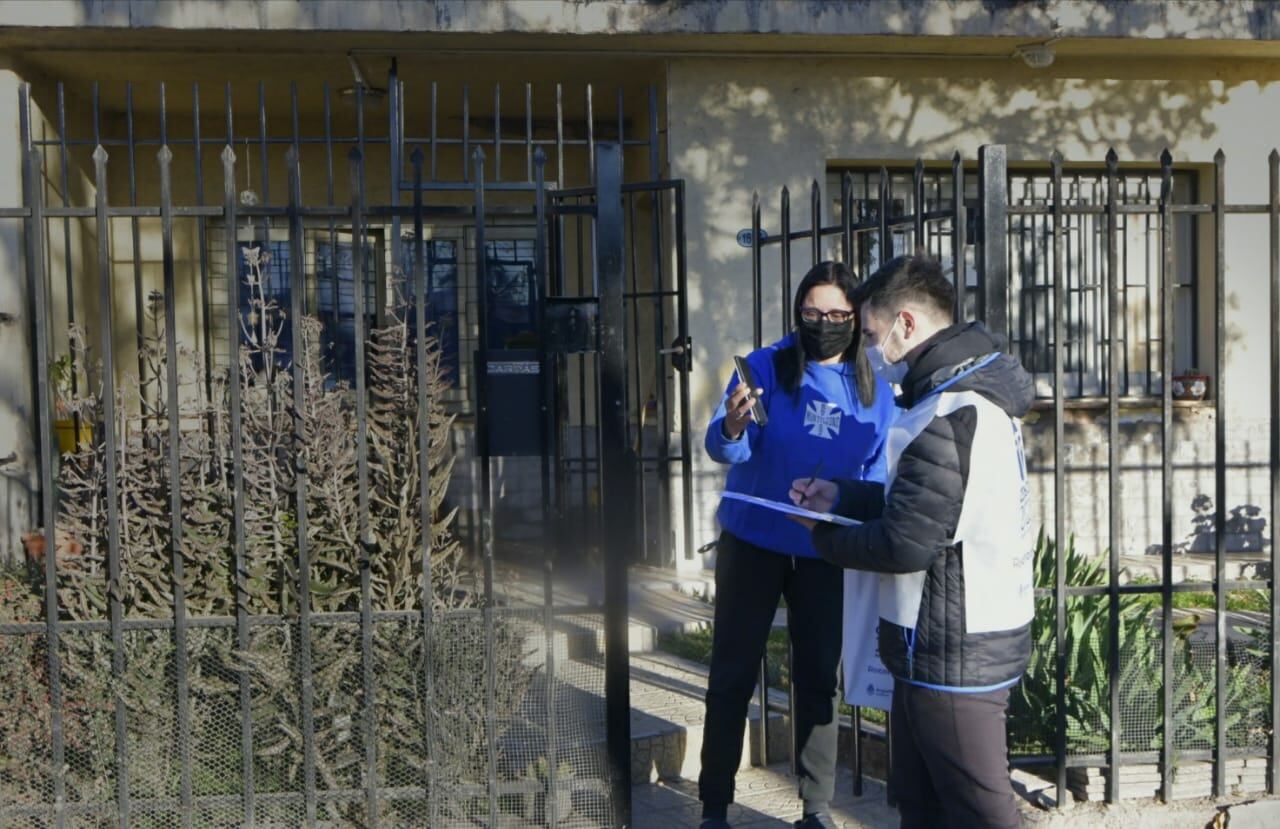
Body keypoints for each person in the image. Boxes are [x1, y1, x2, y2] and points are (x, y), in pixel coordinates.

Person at [789, 254, 1035, 829]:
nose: (869, 350)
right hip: (945, 645)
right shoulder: (952, 401)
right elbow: (928, 507)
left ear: (906, 324)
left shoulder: (950, 413)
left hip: (954, 654)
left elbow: (905, 544)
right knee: (923, 805)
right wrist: (843, 498)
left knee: (981, 811)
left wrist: (824, 537)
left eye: (872, 334)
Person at [701, 261, 897, 829]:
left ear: (856, 318)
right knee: (733, 672)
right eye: (811, 313)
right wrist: (734, 426)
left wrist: (838, 497)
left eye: (837, 314)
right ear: (797, 313)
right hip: (754, 541)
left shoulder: (875, 391)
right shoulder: (764, 365)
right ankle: (715, 803)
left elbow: (878, 480)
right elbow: (725, 445)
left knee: (816, 679)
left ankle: (815, 807)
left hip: (823, 551)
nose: (823, 324)